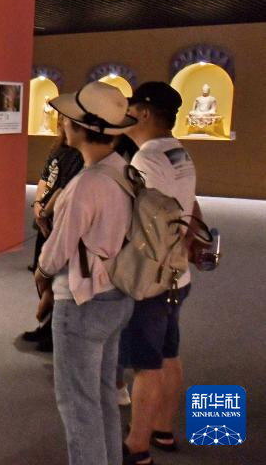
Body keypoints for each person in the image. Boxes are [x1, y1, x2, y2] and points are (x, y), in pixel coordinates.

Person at [37, 81, 137, 465]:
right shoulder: (124, 171)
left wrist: (41, 273)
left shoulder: (85, 184)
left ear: (80, 127)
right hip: (118, 294)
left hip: (83, 300)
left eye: (68, 119)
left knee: (77, 405)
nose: (63, 124)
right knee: (102, 396)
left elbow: (57, 250)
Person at [120, 82, 197, 463]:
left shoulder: (145, 160)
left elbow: (142, 221)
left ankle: (136, 446)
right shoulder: (178, 151)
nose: (126, 114)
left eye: (130, 108)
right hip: (178, 274)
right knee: (169, 353)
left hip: (152, 278)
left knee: (146, 365)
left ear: (145, 113)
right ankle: (163, 430)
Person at [25, 125, 83, 351]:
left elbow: (64, 189)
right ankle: (47, 324)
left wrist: (44, 211)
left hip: (58, 222)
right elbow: (45, 178)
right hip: (45, 220)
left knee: (56, 276)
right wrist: (38, 205)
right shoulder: (59, 149)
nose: (62, 124)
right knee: (41, 271)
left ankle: (54, 330)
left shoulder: (80, 157)